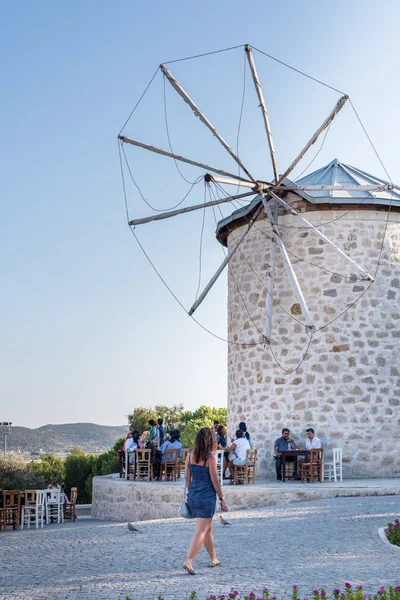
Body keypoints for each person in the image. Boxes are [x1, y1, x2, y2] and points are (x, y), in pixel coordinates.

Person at [183, 427, 228, 575]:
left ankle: (213, 558)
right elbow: (215, 480)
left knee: (208, 528)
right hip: (206, 497)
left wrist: (192, 492)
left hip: (193, 496)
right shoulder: (210, 458)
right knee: (201, 530)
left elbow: (187, 478)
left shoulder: (190, 455)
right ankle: (189, 561)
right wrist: (222, 499)